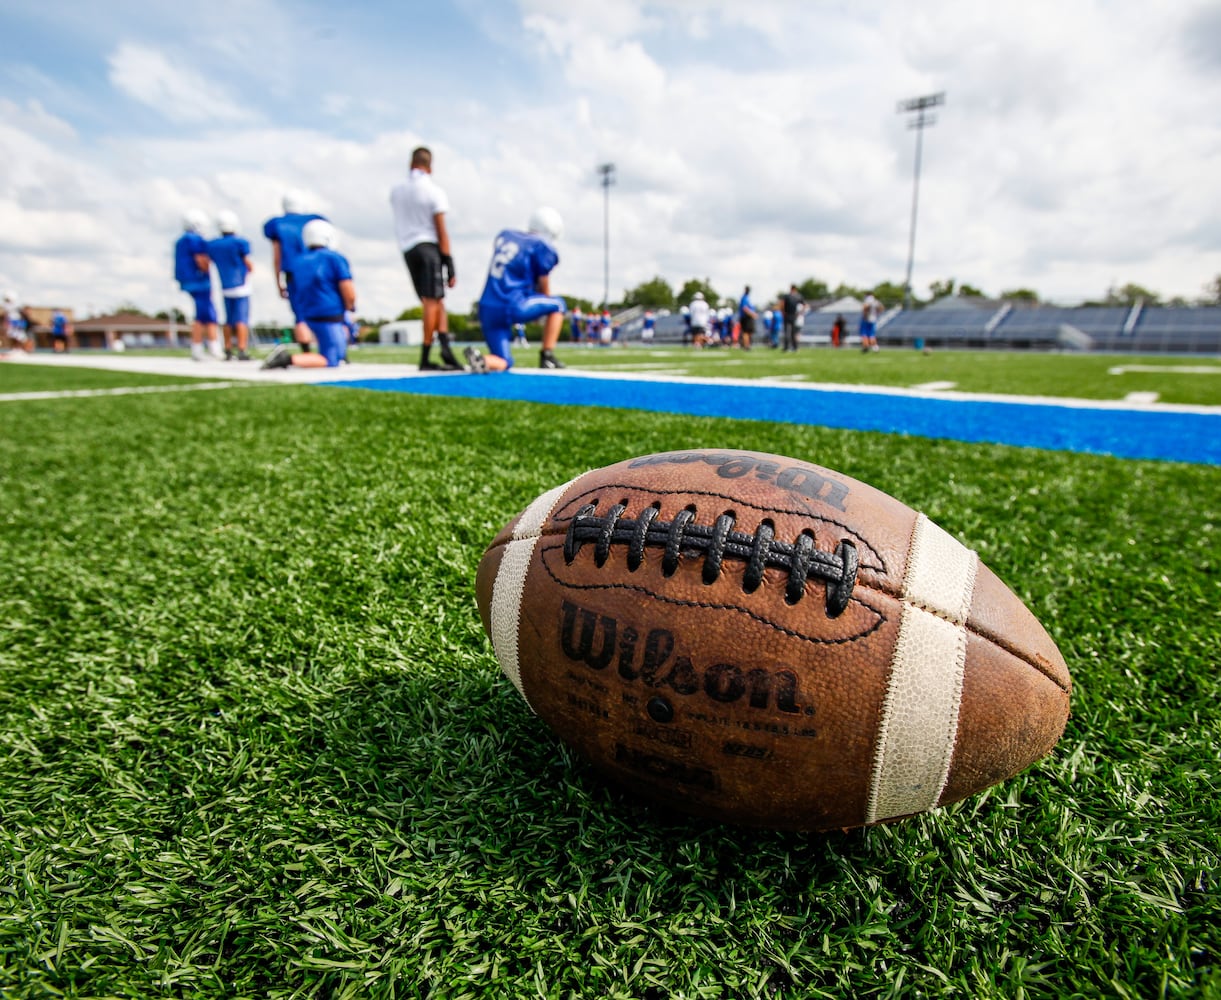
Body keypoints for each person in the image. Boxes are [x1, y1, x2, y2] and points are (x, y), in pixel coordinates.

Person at [464, 206, 568, 373]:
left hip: (487, 308)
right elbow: (544, 284)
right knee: (559, 304)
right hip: (512, 304)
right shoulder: (541, 245)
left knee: (505, 361)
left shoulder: (506, 235)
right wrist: (539, 310)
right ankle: (547, 356)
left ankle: (482, 359)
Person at [390, 146, 462, 371]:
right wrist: (449, 262)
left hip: (408, 248)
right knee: (432, 302)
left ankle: (446, 349)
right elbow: (441, 229)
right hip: (428, 246)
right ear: (430, 166)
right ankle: (426, 356)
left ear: (411, 164)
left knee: (436, 300)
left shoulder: (397, 191)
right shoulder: (433, 191)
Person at [262, 220, 355, 371]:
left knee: (335, 352)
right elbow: (348, 290)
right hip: (330, 315)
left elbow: (294, 289)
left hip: (308, 314)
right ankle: (287, 358)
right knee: (332, 359)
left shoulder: (297, 262)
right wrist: (350, 308)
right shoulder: (334, 258)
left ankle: (299, 356)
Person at [263, 191, 326, 355]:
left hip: (293, 273)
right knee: (324, 310)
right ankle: (329, 348)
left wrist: (278, 282)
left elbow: (277, 257)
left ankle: (306, 353)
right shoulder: (315, 220)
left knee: (300, 315)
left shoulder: (278, 225)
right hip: (318, 271)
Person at [174, 210, 223, 361]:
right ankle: (211, 348)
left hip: (189, 281)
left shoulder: (181, 240)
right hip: (199, 281)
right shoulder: (194, 240)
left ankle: (199, 348)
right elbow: (201, 261)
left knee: (201, 315)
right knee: (208, 315)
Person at [208, 210, 254, 360]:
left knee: (228, 320)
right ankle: (241, 349)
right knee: (242, 319)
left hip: (225, 285)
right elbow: (248, 264)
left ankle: (227, 349)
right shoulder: (240, 242)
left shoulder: (213, 245)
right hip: (241, 286)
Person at [781, 284, 806, 352]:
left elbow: (782, 305)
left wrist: (783, 312)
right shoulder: (798, 296)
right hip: (794, 315)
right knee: (793, 332)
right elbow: (804, 305)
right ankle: (795, 347)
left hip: (787, 315)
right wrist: (800, 313)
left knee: (787, 332)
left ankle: (786, 347)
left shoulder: (787, 296)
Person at [738, 285, 757, 349]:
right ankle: (746, 345)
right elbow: (745, 308)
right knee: (746, 332)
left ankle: (747, 344)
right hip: (746, 317)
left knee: (749, 332)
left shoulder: (747, 297)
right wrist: (752, 314)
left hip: (748, 317)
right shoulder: (744, 298)